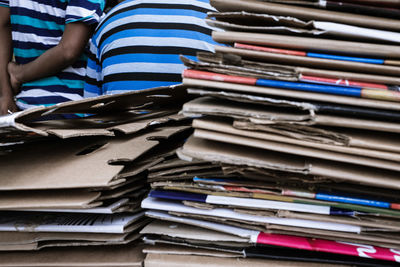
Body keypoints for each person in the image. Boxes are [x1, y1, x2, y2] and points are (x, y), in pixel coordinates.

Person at [84, 0, 220, 97]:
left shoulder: (108, 23)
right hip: (199, 135)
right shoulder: (223, 24)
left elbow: (90, 111)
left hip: (122, 135)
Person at [0, 0, 105, 115]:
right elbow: (68, 51)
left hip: (24, 107)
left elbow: (3, 25)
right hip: (73, 105)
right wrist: (18, 76)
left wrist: (5, 94)